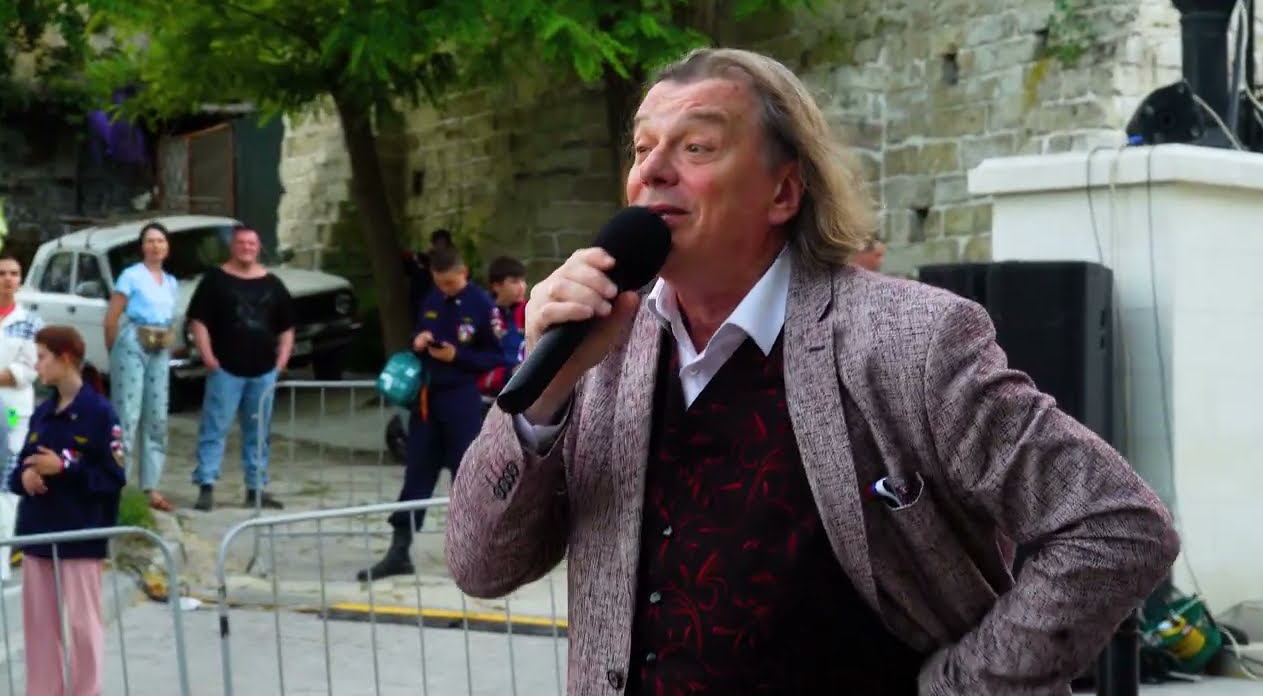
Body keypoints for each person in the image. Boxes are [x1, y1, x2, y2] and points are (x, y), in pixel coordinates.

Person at [445, 48, 1179, 694]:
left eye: (696, 146)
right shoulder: (602, 348)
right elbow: (481, 566)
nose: (653, 171)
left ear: (783, 192)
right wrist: (547, 392)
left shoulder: (910, 341)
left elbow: (1115, 524)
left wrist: (965, 687)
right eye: (642, 148)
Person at [358, 246, 505, 581]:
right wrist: (419, 341)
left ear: (464, 273)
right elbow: (419, 330)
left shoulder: (483, 306)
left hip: (460, 400)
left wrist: (457, 357)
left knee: (466, 478)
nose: (445, 289)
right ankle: (399, 550)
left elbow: (496, 356)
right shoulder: (432, 298)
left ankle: (475, 554)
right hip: (427, 401)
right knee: (417, 475)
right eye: (440, 283)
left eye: (450, 283)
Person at [9, 326, 125, 696]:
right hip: (39, 533)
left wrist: (65, 468)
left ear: (66, 359)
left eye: (43, 357)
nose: (37, 365)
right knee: (40, 629)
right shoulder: (42, 413)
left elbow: (113, 476)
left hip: (79, 534)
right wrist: (26, 476)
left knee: (82, 626)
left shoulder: (99, 412)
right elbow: (17, 470)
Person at [188, 225, 295, 511]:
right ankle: (206, 485)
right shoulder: (214, 280)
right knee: (214, 428)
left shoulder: (273, 284)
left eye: (252, 243)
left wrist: (281, 362)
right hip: (225, 369)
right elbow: (198, 321)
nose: (247, 247)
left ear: (258, 248)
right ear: (233, 247)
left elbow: (287, 327)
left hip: (263, 370)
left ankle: (256, 488)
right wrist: (208, 357)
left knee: (258, 432)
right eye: (242, 243)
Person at [104, 222, 179, 512]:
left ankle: (150, 486)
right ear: (142, 246)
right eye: (150, 241)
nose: (156, 246)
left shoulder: (170, 282)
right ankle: (118, 483)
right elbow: (112, 318)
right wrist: (114, 351)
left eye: (160, 241)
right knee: (127, 415)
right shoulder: (131, 276)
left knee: (157, 416)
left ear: (167, 247)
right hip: (134, 341)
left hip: (160, 344)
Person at [0, 253, 42, 579]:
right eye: (2, 273)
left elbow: (30, 369)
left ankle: (2, 560)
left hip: (13, 410)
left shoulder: (30, 322)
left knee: (7, 478)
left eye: (14, 273)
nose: (8, 279)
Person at [476, 256, 528, 402]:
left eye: (523, 281)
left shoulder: (530, 310)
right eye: (514, 282)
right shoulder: (481, 313)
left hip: (522, 390)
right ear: (496, 286)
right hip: (487, 395)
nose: (522, 286)